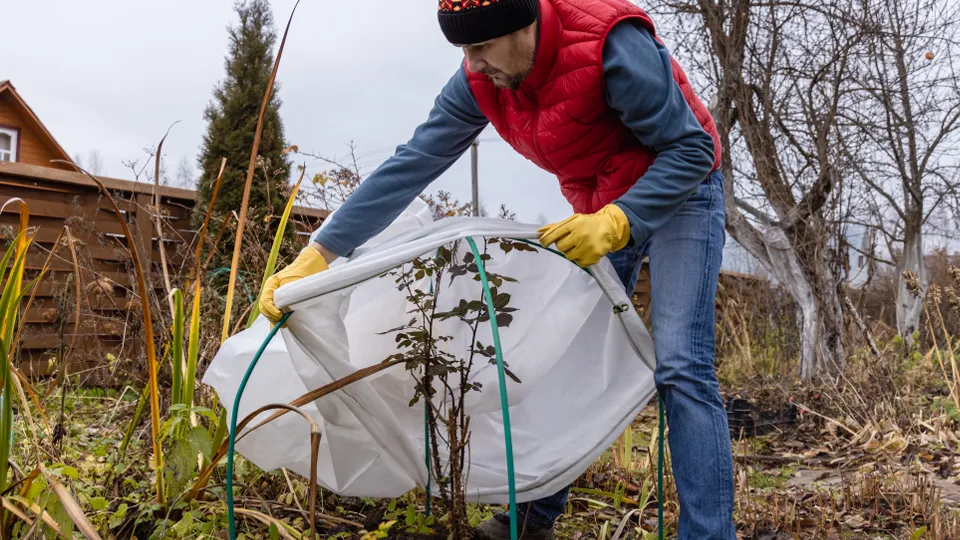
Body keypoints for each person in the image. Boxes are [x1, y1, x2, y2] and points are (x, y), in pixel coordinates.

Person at [259, 0, 735, 538]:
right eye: (462, 49)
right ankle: (531, 519)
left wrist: (620, 219)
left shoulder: (609, 44)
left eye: (480, 46)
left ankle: (709, 531)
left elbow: (691, 148)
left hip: (682, 189)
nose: (471, 62)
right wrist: (320, 254)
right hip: (602, 198)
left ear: (523, 25)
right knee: (567, 363)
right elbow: (413, 161)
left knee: (680, 363)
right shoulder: (479, 79)